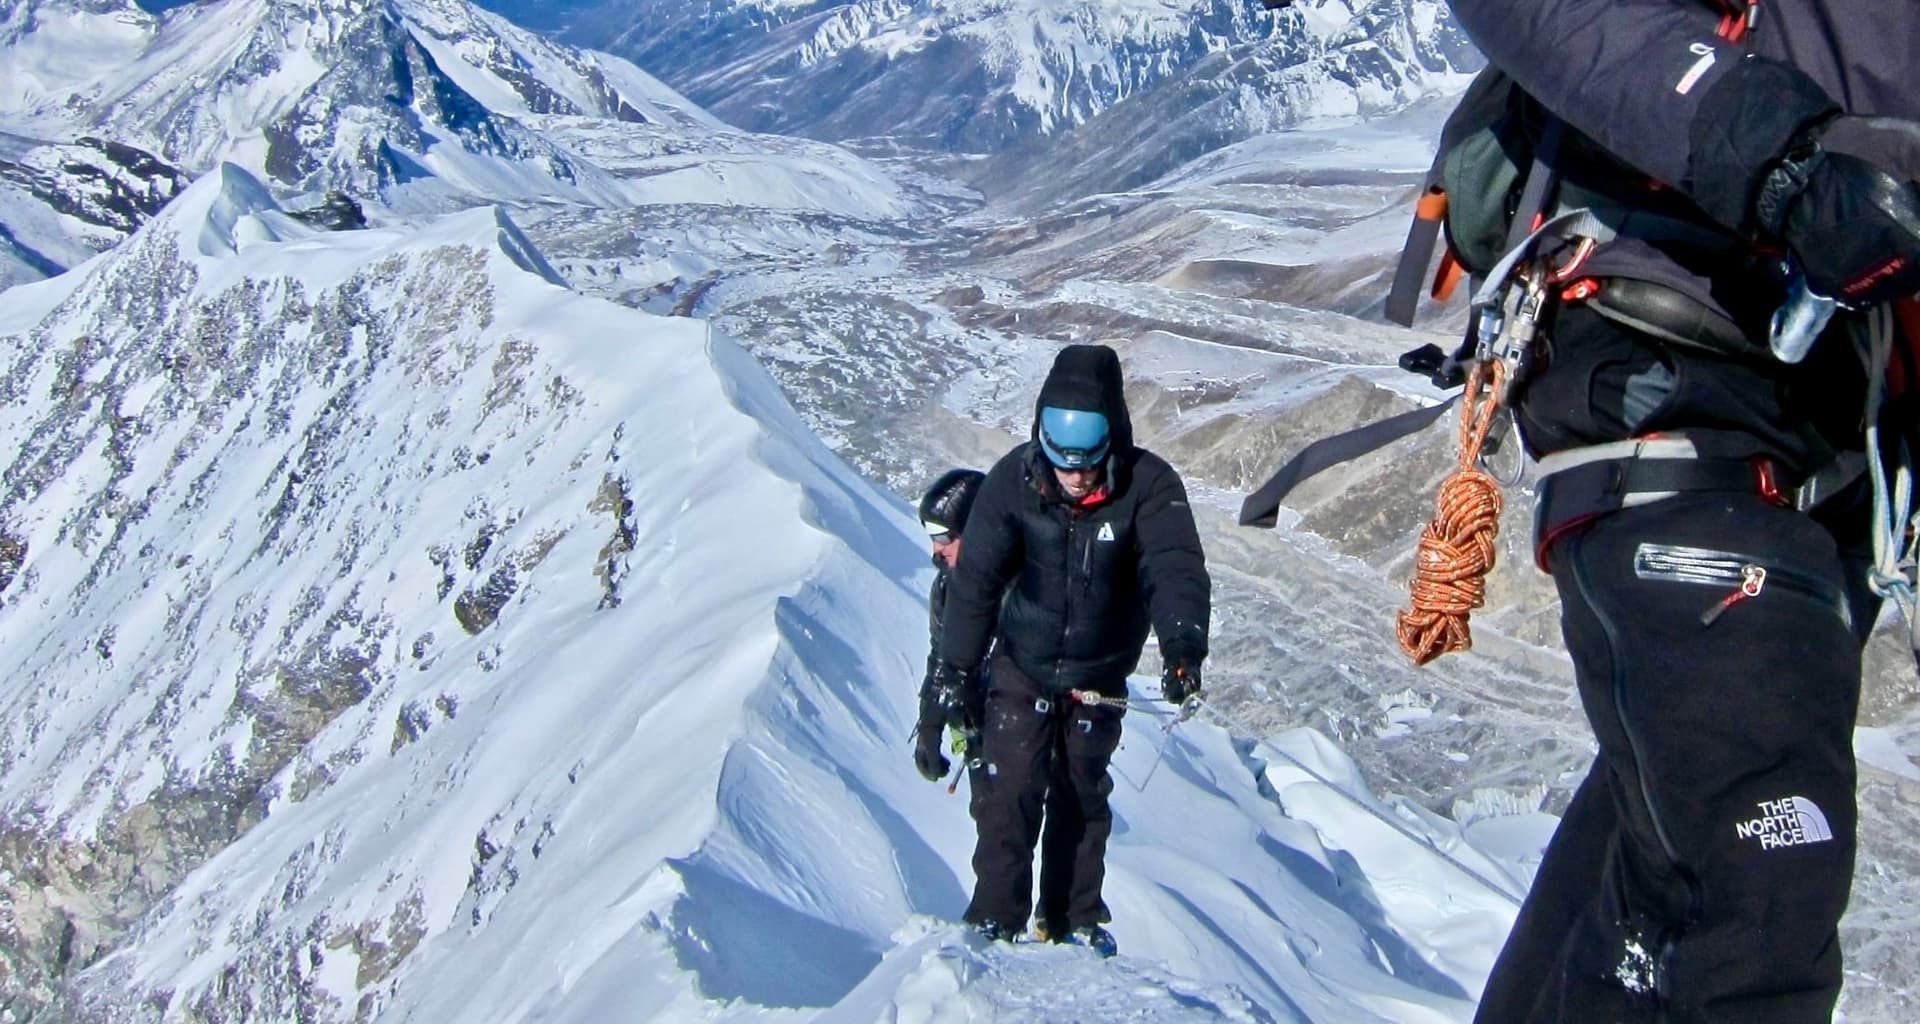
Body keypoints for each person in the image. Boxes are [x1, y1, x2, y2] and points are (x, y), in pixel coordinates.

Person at [1441, 2, 1920, 1020]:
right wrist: (1775, 150)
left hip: (1856, 410)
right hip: (1673, 331)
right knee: (1753, 874)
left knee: (1679, 834)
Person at [928, 343, 1211, 955]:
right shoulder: (1013, 483)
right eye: (1064, 465)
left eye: (1088, 464)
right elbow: (974, 584)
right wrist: (954, 670)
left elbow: (1174, 567)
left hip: (1099, 672)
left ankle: (1072, 922)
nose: (1077, 477)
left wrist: (1183, 647)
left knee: (1082, 794)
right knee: (1009, 792)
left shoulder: (1149, 487)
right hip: (1021, 663)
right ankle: (993, 920)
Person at [911, 467, 988, 784]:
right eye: (932, 537)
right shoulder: (947, 588)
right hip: (980, 735)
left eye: (944, 537)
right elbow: (941, 655)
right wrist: (930, 725)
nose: (936, 549)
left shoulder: (1025, 585)